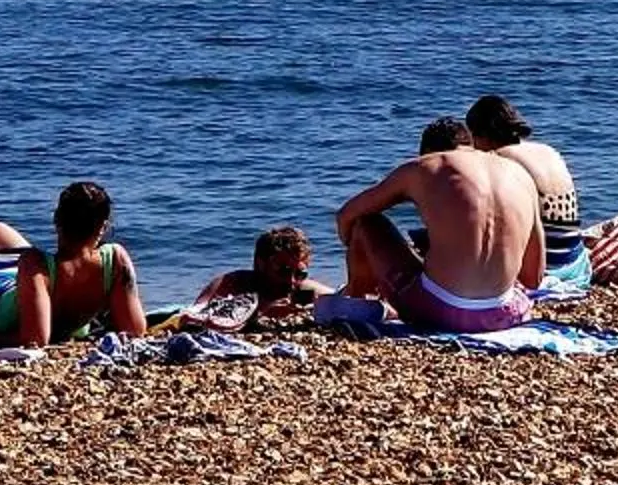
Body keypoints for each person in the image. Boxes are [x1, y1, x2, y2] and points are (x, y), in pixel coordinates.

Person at [335, 115, 542, 333]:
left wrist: (361, 255)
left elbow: (346, 216)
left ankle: (357, 300)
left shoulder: (426, 166)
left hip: (438, 312)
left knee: (366, 223)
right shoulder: (520, 174)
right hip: (503, 313)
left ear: (428, 151)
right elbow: (533, 277)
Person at [0, 180, 150, 352]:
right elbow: (134, 329)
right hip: (30, 282)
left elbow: (36, 340)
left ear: (56, 220)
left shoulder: (35, 264)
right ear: (103, 228)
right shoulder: (114, 260)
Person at [467, 94, 593, 295]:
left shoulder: (499, 160)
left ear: (481, 135)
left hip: (545, 268)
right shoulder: (546, 150)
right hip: (576, 264)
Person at [192, 227, 333, 330]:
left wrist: (318, 309)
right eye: (283, 271)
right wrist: (260, 313)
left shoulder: (306, 289)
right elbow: (193, 316)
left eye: (300, 274)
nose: (291, 281)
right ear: (261, 264)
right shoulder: (233, 283)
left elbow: (348, 302)